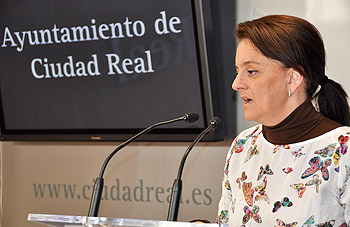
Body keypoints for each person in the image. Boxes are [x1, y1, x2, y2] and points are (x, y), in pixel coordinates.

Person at [217, 15, 350, 226]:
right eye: (237, 71)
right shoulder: (242, 146)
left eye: (251, 71)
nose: (236, 83)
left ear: (293, 78)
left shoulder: (343, 150)